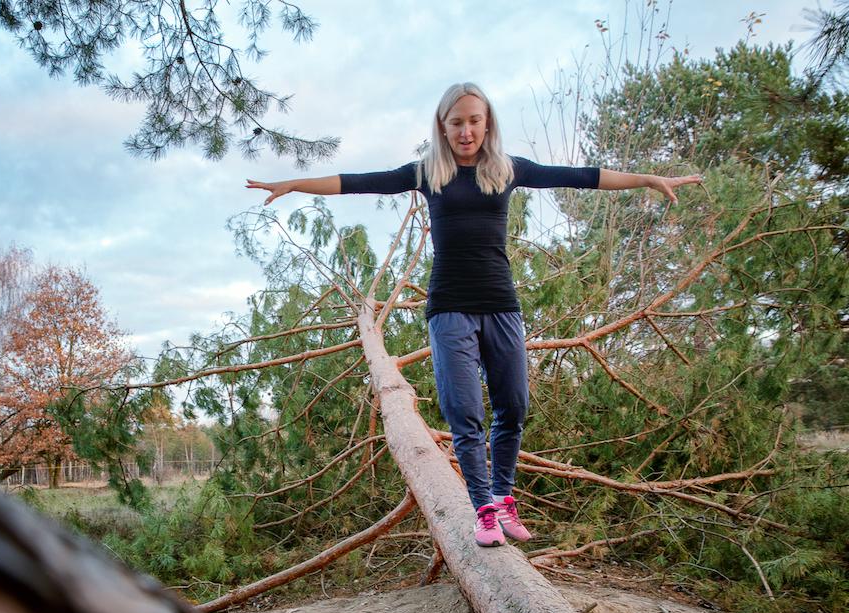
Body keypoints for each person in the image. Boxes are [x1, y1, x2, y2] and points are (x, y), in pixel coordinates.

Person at [247, 81, 701, 548]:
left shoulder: (508, 170)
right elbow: (358, 182)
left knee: (514, 406)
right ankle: (483, 508)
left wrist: (647, 179)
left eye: (474, 121)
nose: (466, 131)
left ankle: (503, 497)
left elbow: (582, 176)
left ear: (487, 123)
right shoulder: (428, 173)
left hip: (502, 304)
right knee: (465, 413)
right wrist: (295, 183)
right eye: (457, 122)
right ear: (443, 127)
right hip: (449, 308)